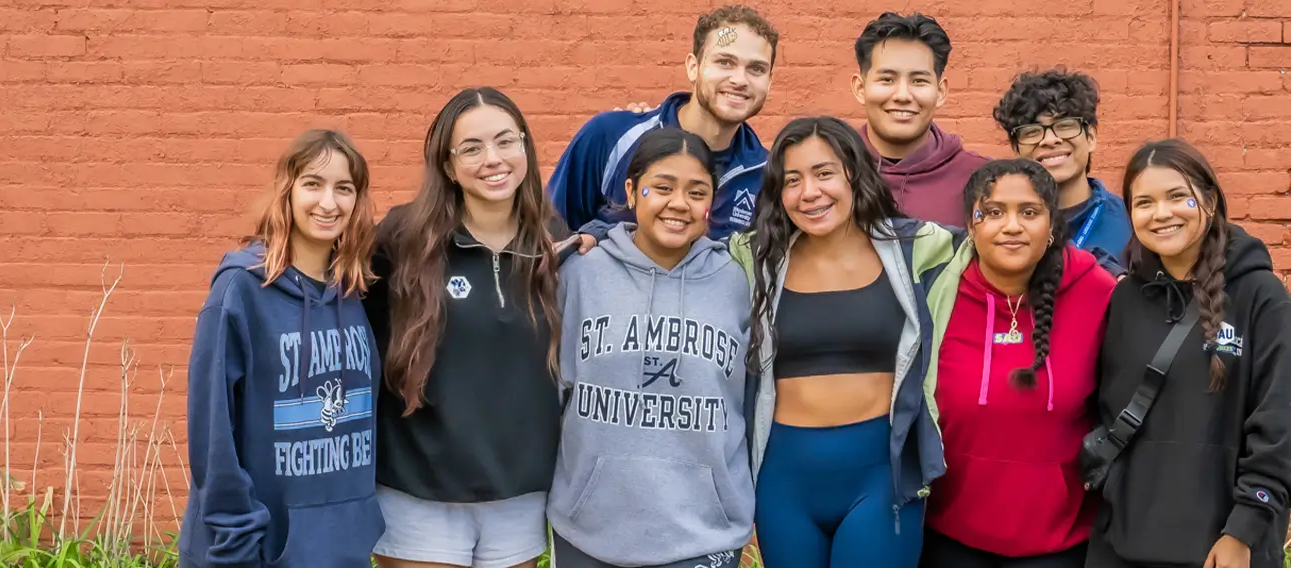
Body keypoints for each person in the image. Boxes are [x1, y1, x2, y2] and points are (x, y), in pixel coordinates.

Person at [727, 115, 961, 567]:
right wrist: (597, 236)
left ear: (854, 173)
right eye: (792, 180)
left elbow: (1003, 245)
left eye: (824, 173)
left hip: (880, 476)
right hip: (783, 481)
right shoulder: (752, 258)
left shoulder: (918, 248)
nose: (809, 192)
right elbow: (678, 252)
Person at [364, 86, 569, 568]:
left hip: (517, 493)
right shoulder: (403, 239)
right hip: (418, 490)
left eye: (505, 141)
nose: (492, 159)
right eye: (471, 148)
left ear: (525, 147)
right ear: (448, 165)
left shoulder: (554, 245)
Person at [548, 127, 755, 568]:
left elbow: (753, 400)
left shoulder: (738, 281)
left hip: (704, 532)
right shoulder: (581, 274)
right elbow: (551, 392)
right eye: (662, 187)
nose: (678, 203)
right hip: (588, 529)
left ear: (711, 203)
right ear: (632, 190)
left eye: (696, 191)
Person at [178, 129, 383, 568]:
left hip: (341, 549)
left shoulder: (356, 292)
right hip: (257, 552)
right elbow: (213, 434)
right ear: (287, 193)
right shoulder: (240, 291)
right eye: (313, 184)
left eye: (343, 188)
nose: (329, 203)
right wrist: (236, 543)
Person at [1086, 139, 1291, 568]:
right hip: (1121, 545)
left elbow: (1279, 421)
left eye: (1177, 196)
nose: (1161, 214)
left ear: (1210, 200)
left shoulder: (1260, 296)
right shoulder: (1124, 299)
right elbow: (1106, 414)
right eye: (1144, 202)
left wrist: (1245, 529)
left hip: (1224, 548)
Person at [918, 159, 1117, 567]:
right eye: (992, 212)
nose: (1011, 226)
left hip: (1058, 542)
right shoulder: (937, 290)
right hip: (948, 534)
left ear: (1051, 226)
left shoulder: (1097, 291)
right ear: (970, 226)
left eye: (1029, 212)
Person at [549, 4, 778, 240]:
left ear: (769, 82)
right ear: (693, 67)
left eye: (756, 68)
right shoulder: (612, 136)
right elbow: (550, 234)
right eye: (725, 62)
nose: (740, 79)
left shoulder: (768, 175)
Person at [851, 11, 990, 228]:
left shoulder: (982, 179)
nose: (903, 96)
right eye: (887, 79)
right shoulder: (832, 172)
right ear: (860, 88)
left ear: (941, 91)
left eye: (918, 81)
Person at [992, 67, 1132, 277]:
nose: (1050, 140)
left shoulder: (1130, 221)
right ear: (1016, 149)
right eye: (1032, 131)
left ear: (1091, 137)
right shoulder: (1003, 227)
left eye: (1065, 125)